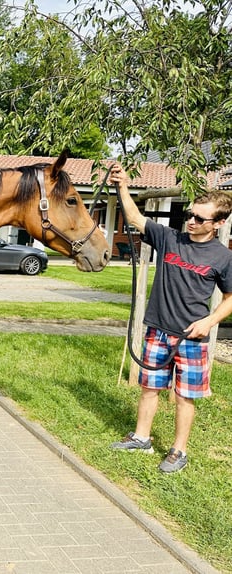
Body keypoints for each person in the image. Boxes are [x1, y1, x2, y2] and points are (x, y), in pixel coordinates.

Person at [108, 163, 232, 473]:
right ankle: (141, 438)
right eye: (189, 214)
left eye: (199, 218)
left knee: (184, 396)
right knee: (149, 388)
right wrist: (123, 184)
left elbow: (230, 298)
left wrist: (209, 321)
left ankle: (178, 451)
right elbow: (135, 219)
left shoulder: (223, 257)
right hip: (158, 330)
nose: (190, 221)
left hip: (191, 337)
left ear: (218, 222)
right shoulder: (170, 239)